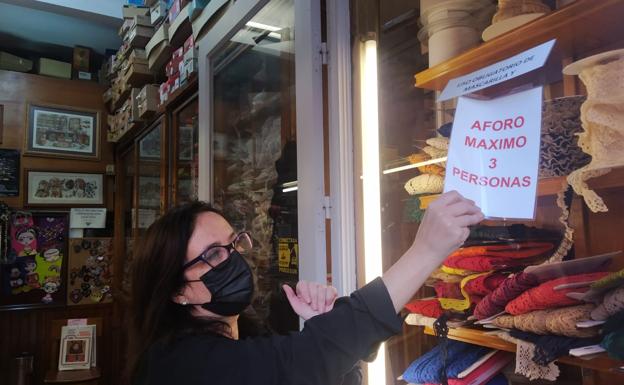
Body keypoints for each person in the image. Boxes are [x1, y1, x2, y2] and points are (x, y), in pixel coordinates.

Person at [129, 191, 483, 385]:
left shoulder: (249, 338)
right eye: (213, 255)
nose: (234, 258)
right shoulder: (177, 364)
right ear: (177, 291)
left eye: (234, 244)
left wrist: (321, 325)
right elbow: (304, 361)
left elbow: (317, 369)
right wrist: (424, 251)